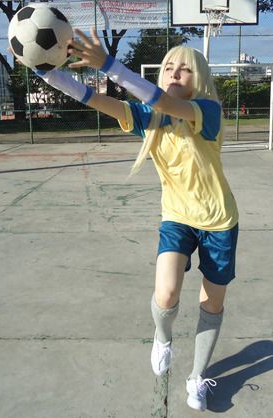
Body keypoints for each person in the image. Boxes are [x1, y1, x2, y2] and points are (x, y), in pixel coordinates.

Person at [33, 28, 239, 412]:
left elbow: (162, 100)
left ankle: (197, 377)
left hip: (219, 221)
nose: (175, 73)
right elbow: (94, 99)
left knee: (211, 303)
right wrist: (45, 72)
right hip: (177, 218)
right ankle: (163, 338)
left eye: (185, 69)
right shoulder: (149, 119)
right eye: (169, 67)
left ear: (199, 79)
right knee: (166, 293)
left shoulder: (207, 112)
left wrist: (109, 65)